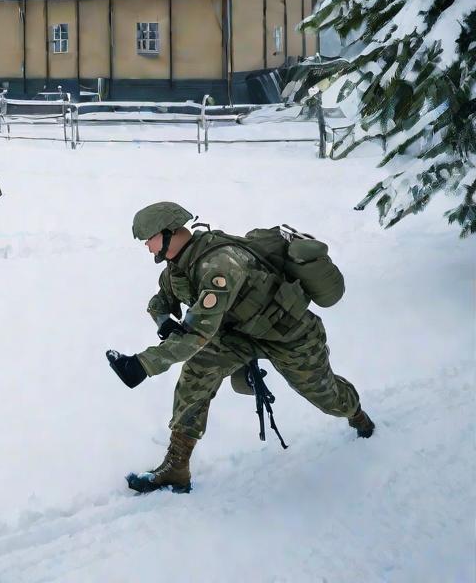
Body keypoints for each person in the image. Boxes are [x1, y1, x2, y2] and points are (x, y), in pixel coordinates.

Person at [107, 202, 375, 495]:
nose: (147, 247)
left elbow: (198, 333)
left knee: (327, 398)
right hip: (240, 334)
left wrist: (143, 365)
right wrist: (164, 323)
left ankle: (357, 415)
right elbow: (159, 302)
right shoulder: (178, 268)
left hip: (290, 334)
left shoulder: (220, 265)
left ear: (169, 233)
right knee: (197, 372)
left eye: (149, 239)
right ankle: (176, 466)